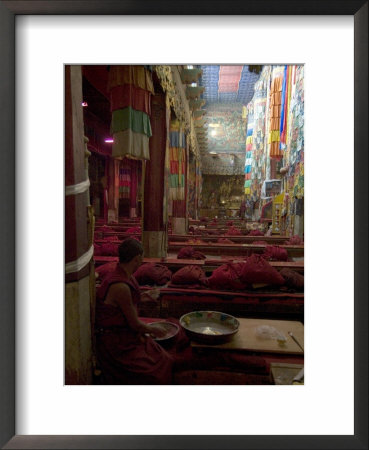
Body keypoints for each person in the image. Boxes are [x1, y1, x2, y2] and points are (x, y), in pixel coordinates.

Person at [95, 238, 174, 384]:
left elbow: (124, 304)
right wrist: (155, 329)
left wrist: (144, 297)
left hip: (125, 333)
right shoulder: (120, 285)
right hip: (117, 343)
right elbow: (135, 324)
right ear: (137, 258)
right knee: (158, 367)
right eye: (142, 258)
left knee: (161, 354)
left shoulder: (125, 274)